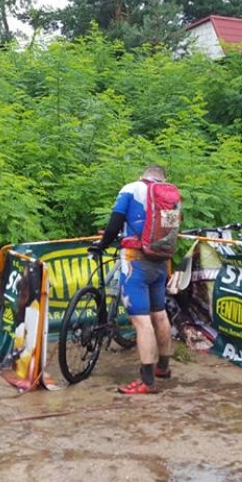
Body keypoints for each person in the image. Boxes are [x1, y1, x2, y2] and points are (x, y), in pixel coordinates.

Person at [89, 164, 176, 394]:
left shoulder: (131, 189)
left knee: (141, 321)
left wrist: (102, 245)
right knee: (159, 314)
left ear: (142, 175)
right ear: (162, 179)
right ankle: (163, 367)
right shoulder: (170, 196)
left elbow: (115, 222)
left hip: (135, 262)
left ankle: (147, 381)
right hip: (160, 261)